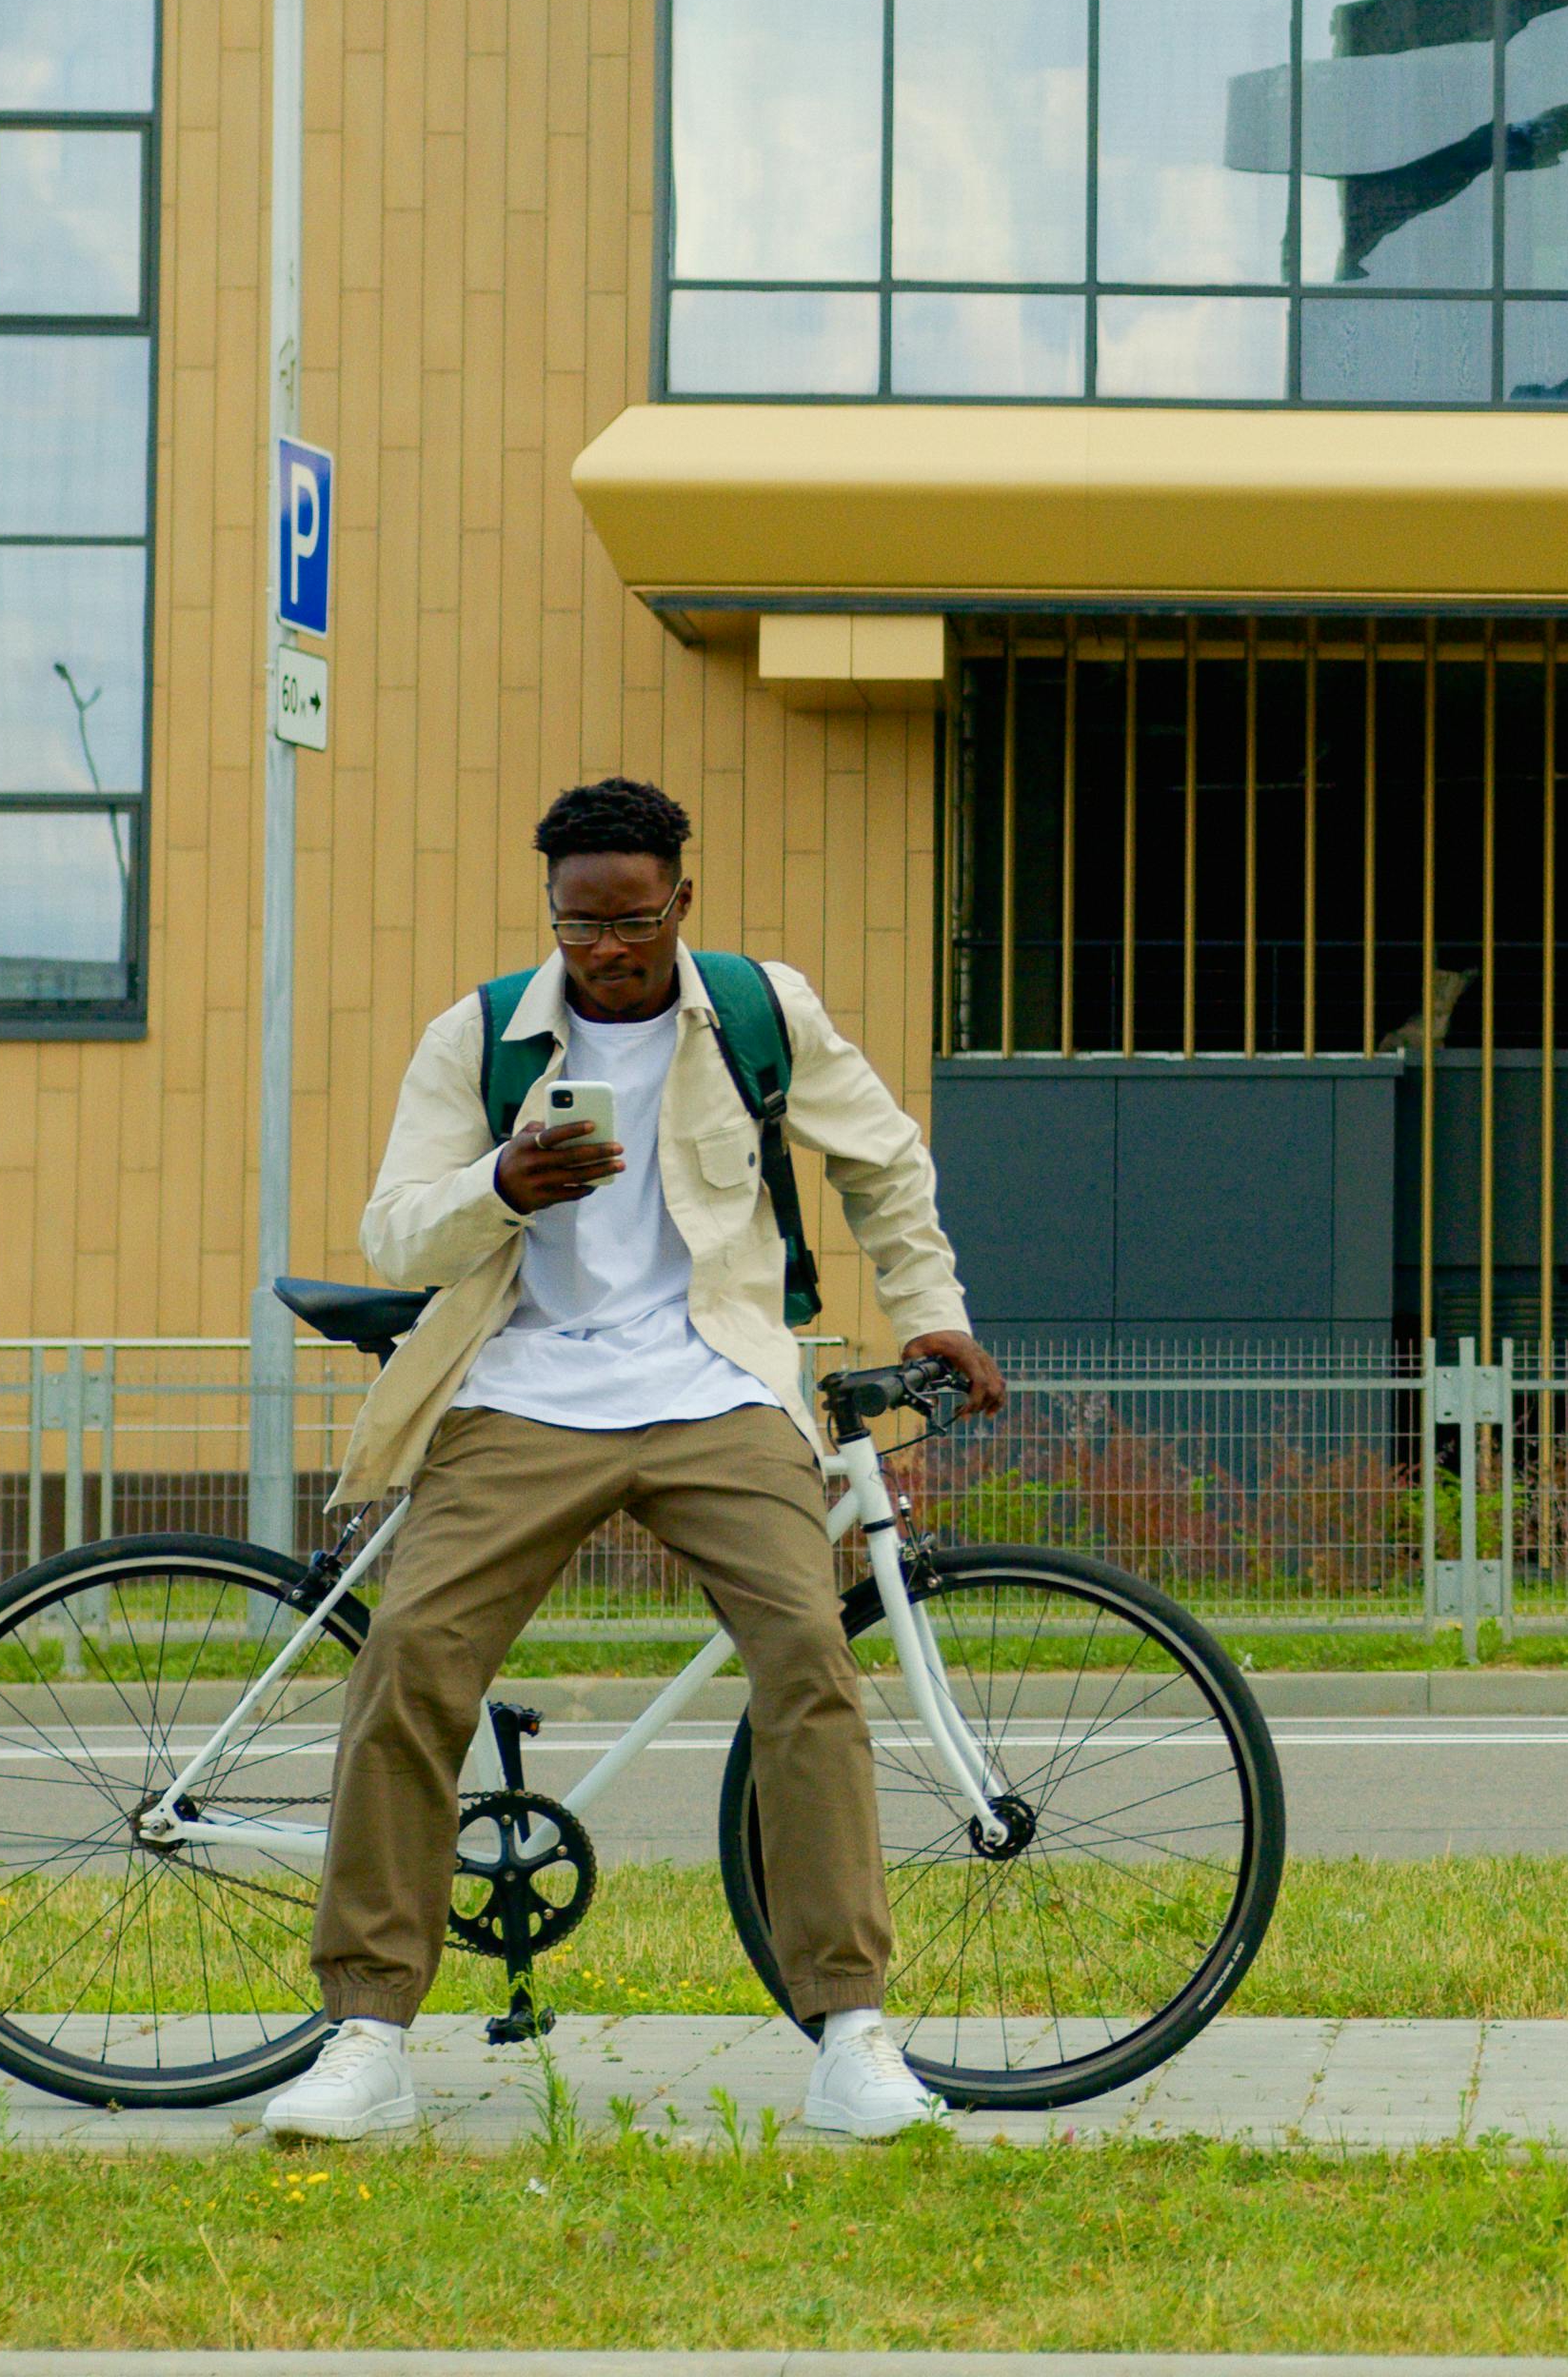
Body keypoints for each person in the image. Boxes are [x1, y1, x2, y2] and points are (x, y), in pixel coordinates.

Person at [257, 776, 1007, 2142]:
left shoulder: (762, 1015)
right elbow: (394, 1235)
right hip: (522, 1392)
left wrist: (935, 1316)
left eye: (634, 921)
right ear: (551, 909)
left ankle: (852, 2033)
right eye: (580, 924)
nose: (607, 950)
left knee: (808, 1660)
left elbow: (887, 1166)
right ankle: (366, 2034)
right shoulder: (480, 1035)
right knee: (410, 1657)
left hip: (715, 1384)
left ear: (681, 901)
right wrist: (501, 1188)